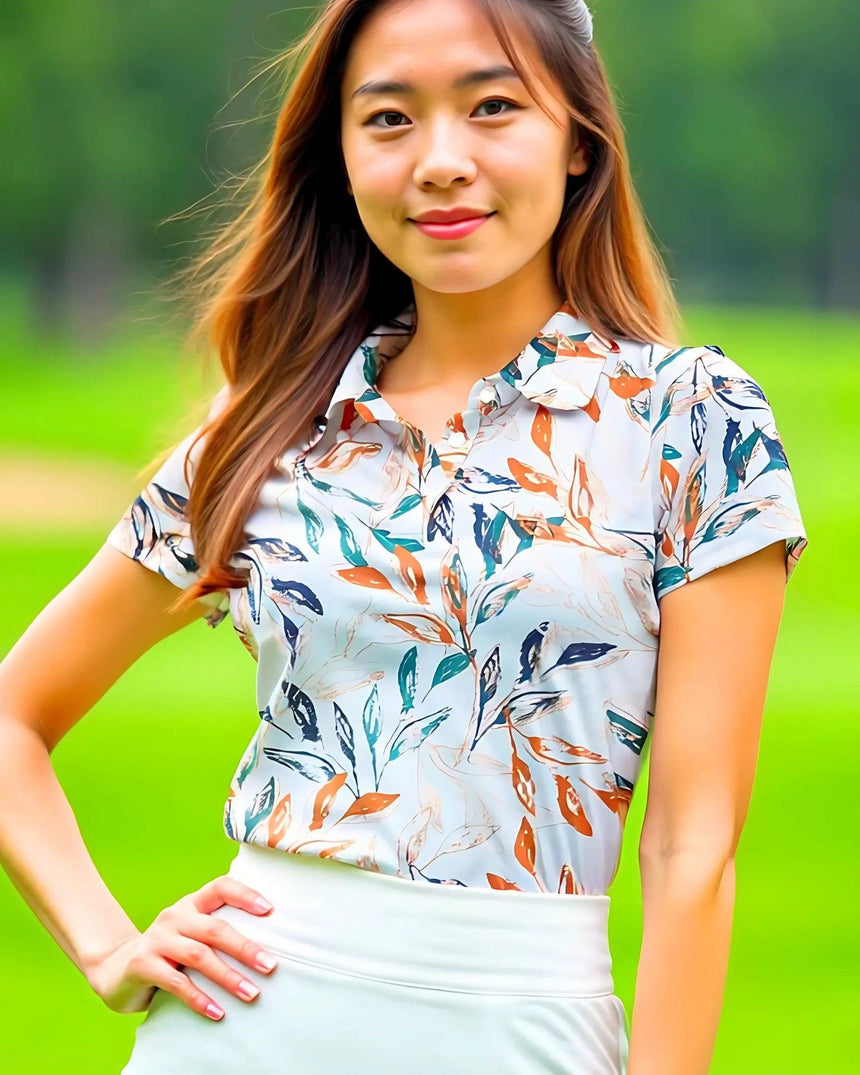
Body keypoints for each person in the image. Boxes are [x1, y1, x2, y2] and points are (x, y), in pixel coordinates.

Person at [0, 1, 809, 1073]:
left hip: (524, 1026)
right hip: (239, 1029)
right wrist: (108, 946)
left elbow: (690, 847)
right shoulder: (267, 429)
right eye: (388, 118)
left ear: (578, 138)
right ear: (339, 157)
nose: (440, 161)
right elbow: (14, 716)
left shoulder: (689, 418)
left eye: (492, 107)